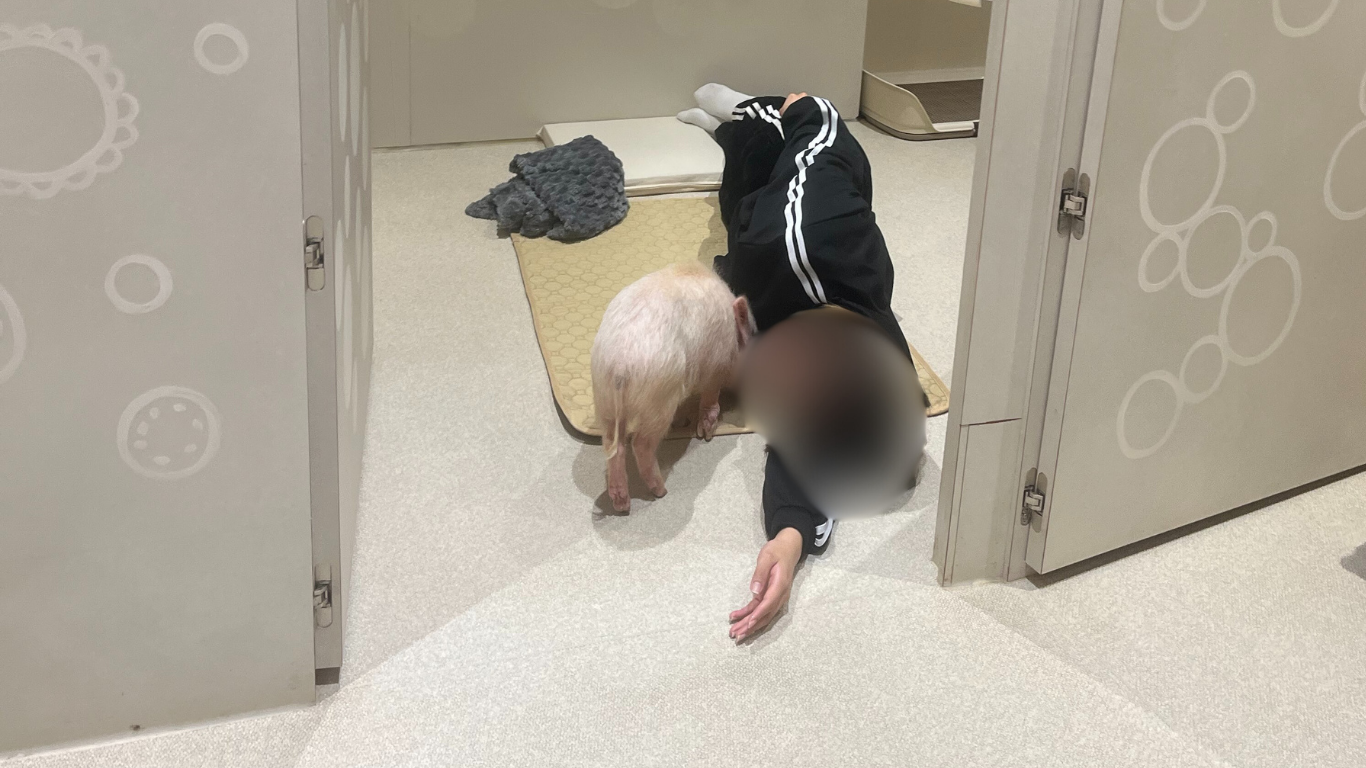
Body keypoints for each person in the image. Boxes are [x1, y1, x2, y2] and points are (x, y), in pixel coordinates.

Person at [680, 86, 928, 641]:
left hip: (768, 259)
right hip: (803, 208)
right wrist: (807, 109)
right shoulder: (808, 227)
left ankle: (726, 133)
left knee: (738, 204)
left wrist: (788, 539)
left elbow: (807, 458)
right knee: (769, 147)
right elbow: (821, 137)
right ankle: (744, 109)